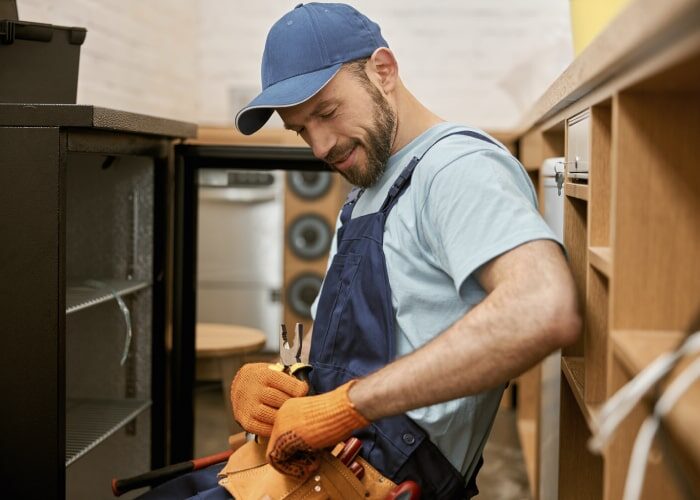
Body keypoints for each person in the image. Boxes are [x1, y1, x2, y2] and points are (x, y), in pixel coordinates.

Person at [146, 3, 580, 499]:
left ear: (383, 71)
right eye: (302, 129)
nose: (320, 145)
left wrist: (348, 406)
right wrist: (276, 379)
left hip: (377, 481)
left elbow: (543, 307)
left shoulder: (459, 167)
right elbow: (350, 348)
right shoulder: (366, 192)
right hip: (313, 467)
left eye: (327, 113)